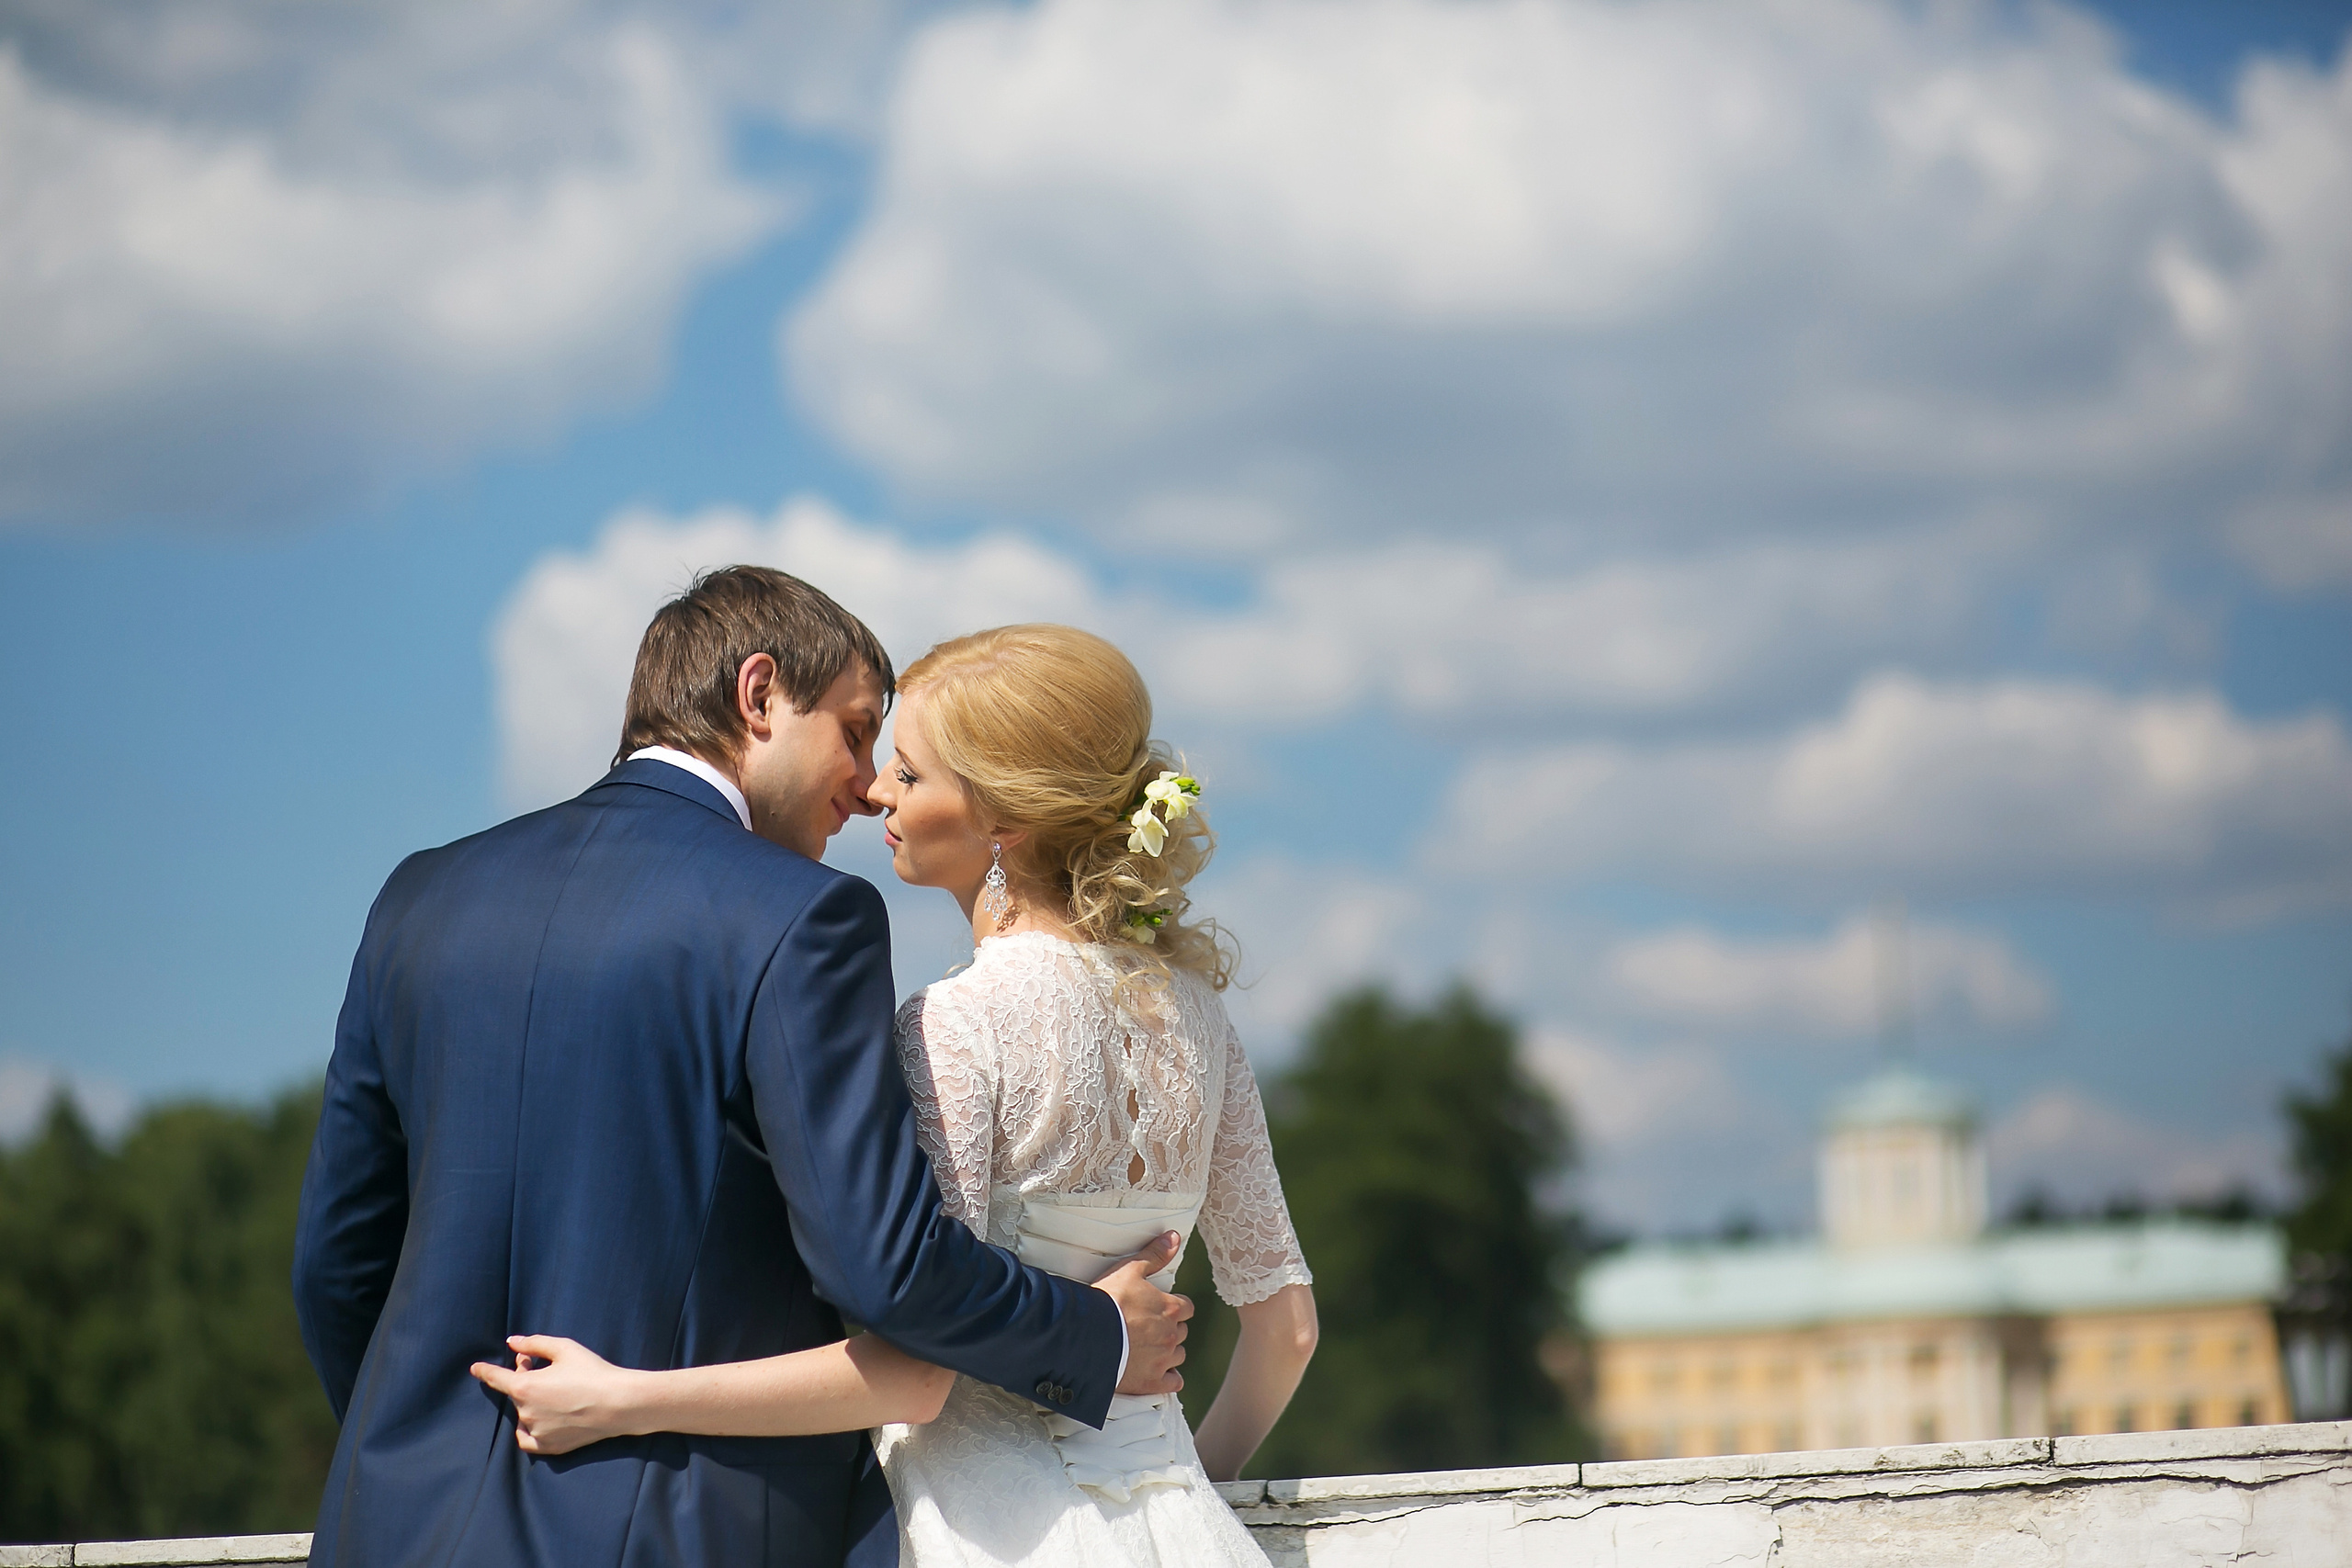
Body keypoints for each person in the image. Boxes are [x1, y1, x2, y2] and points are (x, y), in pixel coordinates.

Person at [294, 572, 1191, 1568]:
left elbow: (337, 1265)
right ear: (758, 694)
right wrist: (1092, 1335)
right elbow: (884, 1267)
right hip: (673, 1537)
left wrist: (419, 1455)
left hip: (390, 1531)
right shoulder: (803, 918)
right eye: (855, 731)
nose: (864, 785)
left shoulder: (420, 898)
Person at [480, 624, 1318, 1568]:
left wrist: (627, 1398)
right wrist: (1183, 1490)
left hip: (983, 1531)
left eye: (911, 775)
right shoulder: (1199, 1020)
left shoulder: (954, 1024)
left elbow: (908, 1375)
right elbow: (1285, 1329)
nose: (877, 787)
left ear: (1004, 820)